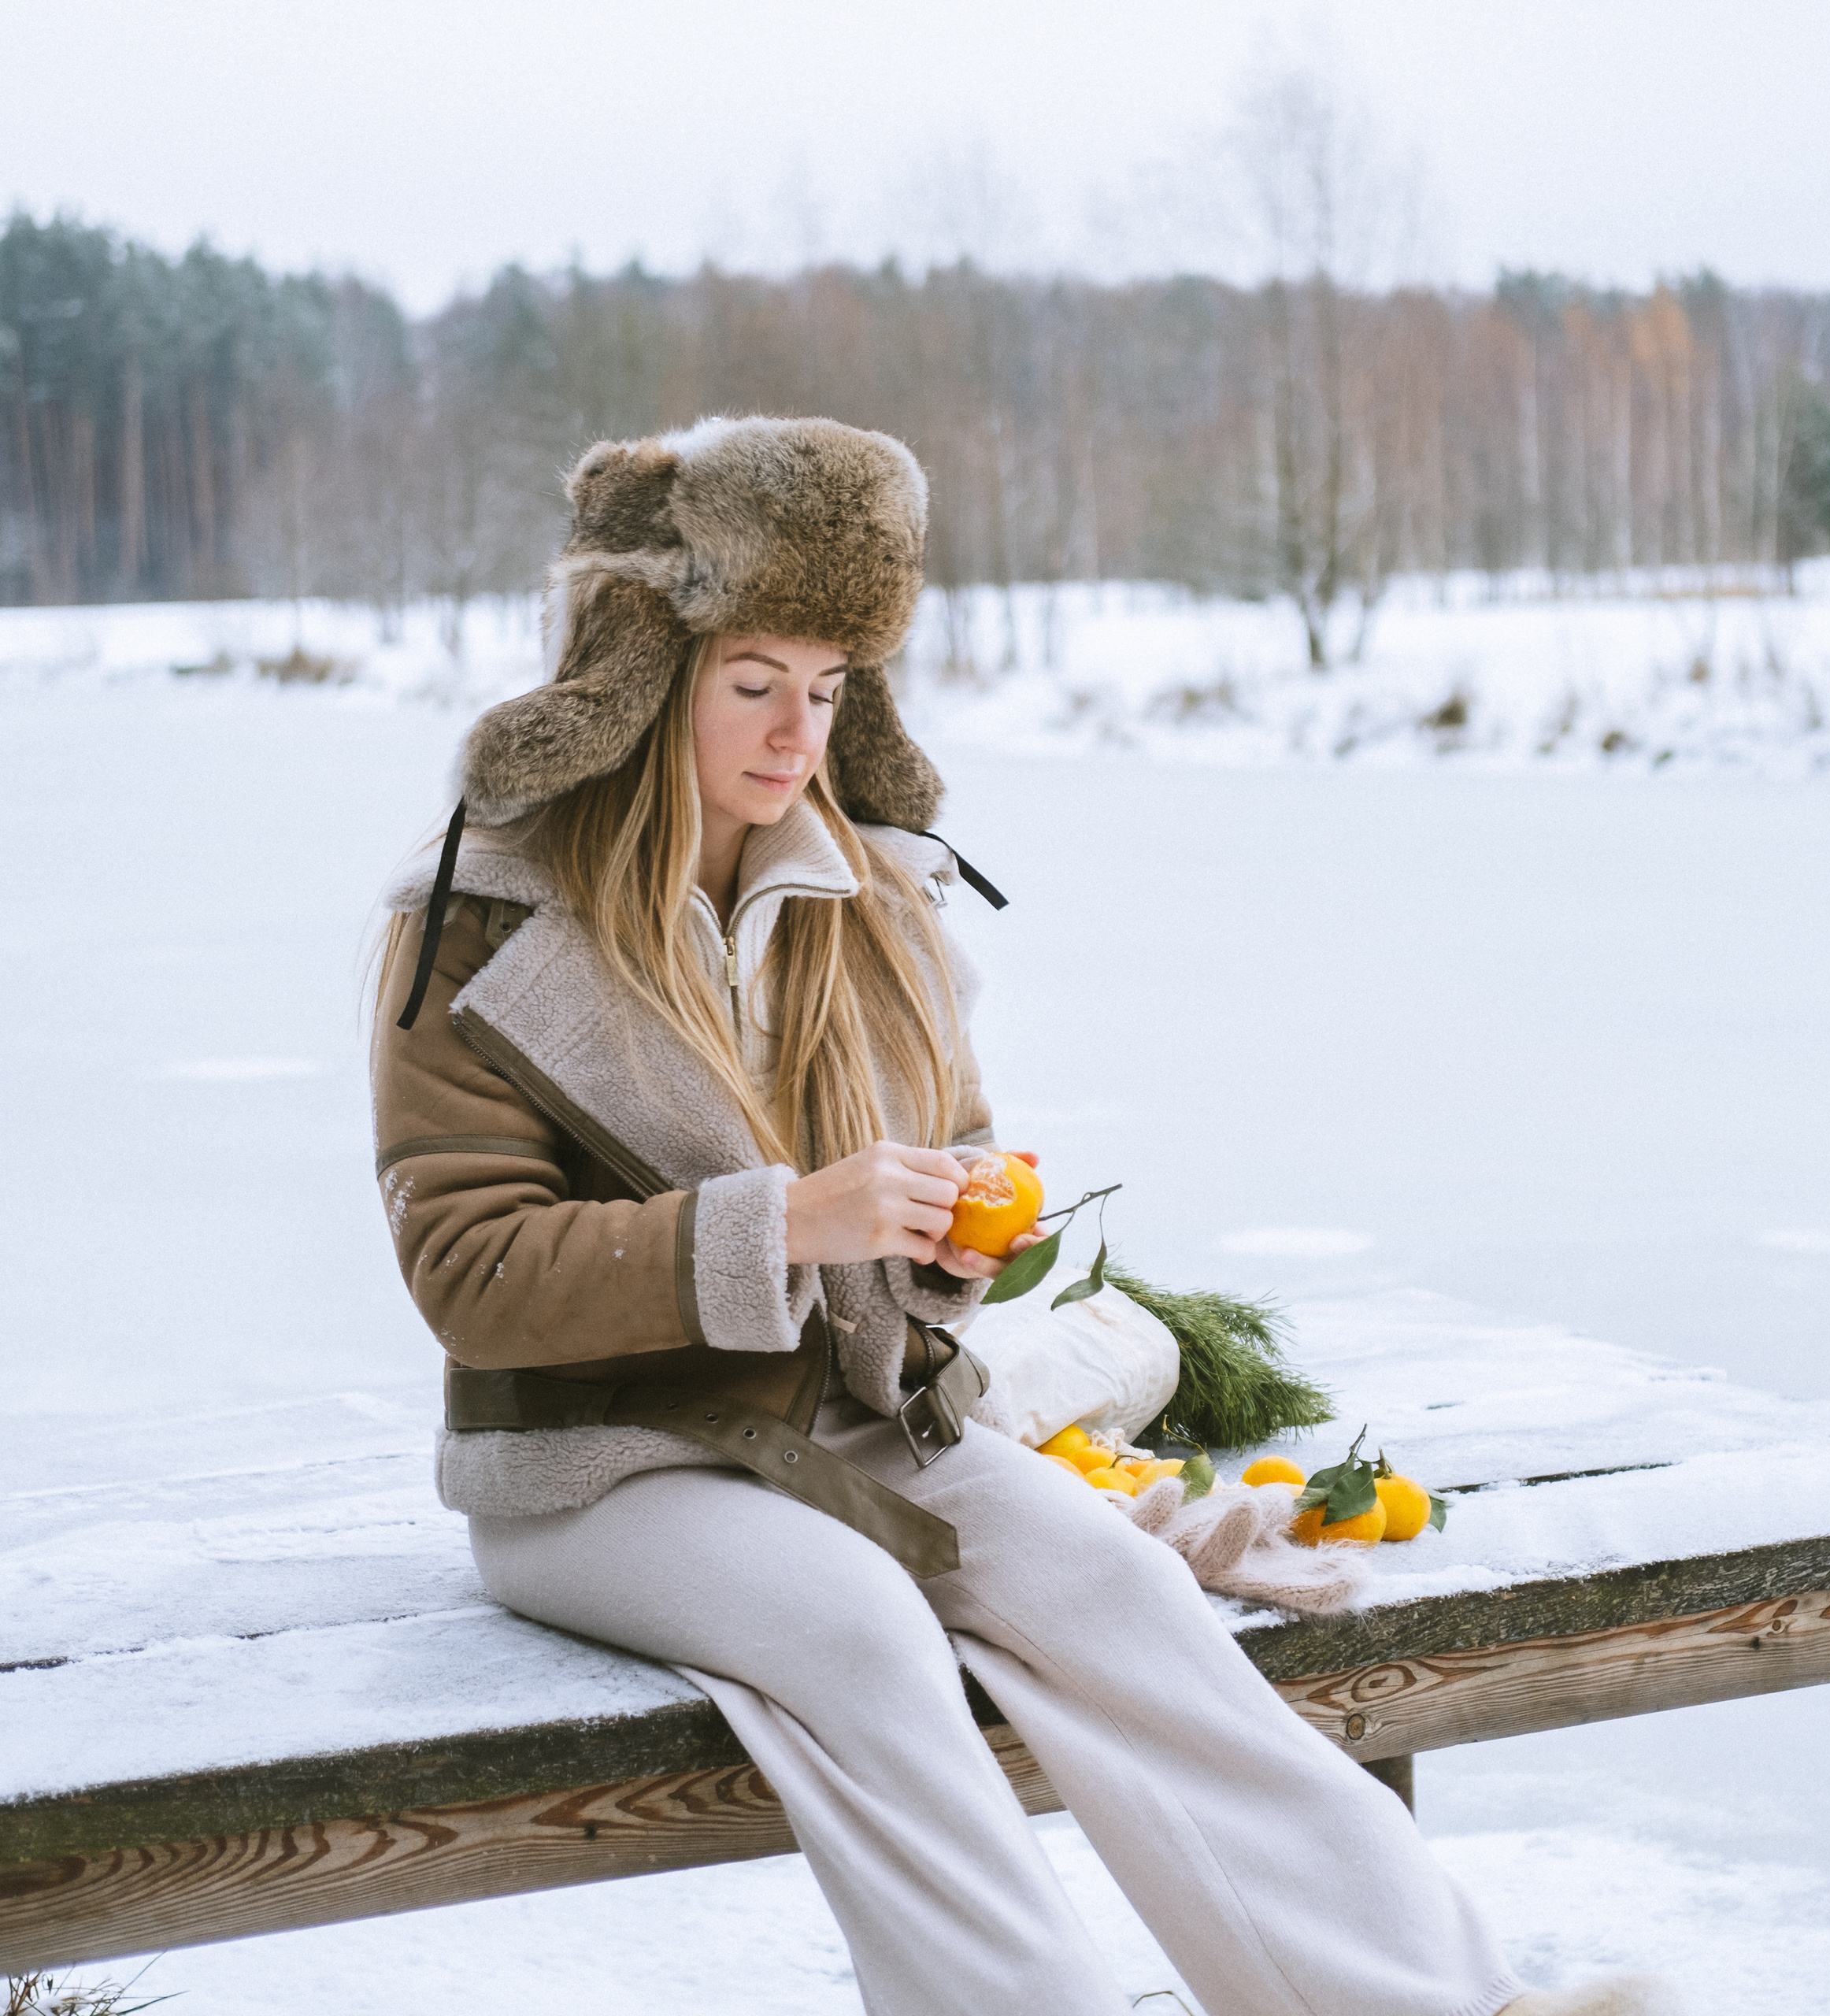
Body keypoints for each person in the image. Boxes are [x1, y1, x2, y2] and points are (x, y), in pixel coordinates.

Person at [372, 416, 1675, 2016]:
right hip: (595, 1461)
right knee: (858, 1627)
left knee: (1118, 1588)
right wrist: (783, 1219)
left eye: (832, 685)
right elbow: (469, 1272)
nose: (797, 732)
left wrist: (940, 1255)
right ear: (650, 675)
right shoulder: (479, 923)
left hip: (840, 1416)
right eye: (754, 681)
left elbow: (949, 1155)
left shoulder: (874, 901)